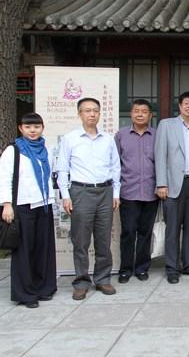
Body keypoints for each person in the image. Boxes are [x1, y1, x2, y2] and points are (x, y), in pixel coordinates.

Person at [56, 98, 121, 300]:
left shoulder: (108, 139)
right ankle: (81, 282)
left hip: (105, 192)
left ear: (100, 114)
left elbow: (115, 168)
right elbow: (62, 169)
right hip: (80, 192)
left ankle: (102, 279)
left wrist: (116, 193)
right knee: (81, 240)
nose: (92, 114)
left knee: (103, 240)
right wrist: (66, 196)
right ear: (79, 114)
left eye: (95, 111)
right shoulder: (70, 138)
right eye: (87, 111)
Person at [0, 113, 56, 308]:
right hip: (22, 206)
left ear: (42, 128)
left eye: (37, 127)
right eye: (28, 127)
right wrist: (6, 204)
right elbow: (4, 178)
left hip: (44, 205)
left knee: (43, 248)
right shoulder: (13, 151)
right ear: (20, 129)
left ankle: (44, 288)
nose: (33, 131)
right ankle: (26, 294)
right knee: (24, 251)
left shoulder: (46, 149)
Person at [155, 91, 189, 284]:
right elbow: (160, 155)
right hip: (172, 185)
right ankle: (171, 267)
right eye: (186, 103)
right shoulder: (166, 125)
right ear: (180, 106)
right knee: (172, 228)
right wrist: (161, 183)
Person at [114, 99, 158, 283]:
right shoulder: (121, 135)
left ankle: (141, 267)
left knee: (145, 231)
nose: (140, 114)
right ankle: (125, 268)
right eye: (136, 111)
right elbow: (115, 164)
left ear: (150, 115)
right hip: (128, 191)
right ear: (131, 114)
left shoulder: (157, 135)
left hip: (151, 191)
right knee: (128, 231)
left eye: (144, 111)